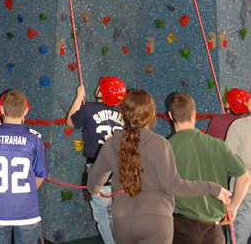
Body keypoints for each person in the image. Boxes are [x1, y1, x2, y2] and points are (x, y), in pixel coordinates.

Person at [87, 89, 230, 244]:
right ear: (151, 114)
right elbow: (175, 186)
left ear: (124, 113)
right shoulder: (159, 143)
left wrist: (97, 189)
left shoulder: (111, 144)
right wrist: (212, 188)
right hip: (156, 222)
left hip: (123, 223)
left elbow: (93, 186)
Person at [168, 92, 250, 244]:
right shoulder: (216, 145)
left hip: (181, 229)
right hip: (214, 232)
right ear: (194, 114)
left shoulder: (168, 147)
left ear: (170, 116)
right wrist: (232, 207)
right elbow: (244, 177)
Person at [0, 88, 48, 244]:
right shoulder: (35, 138)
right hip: (27, 211)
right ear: (26, 111)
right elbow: (40, 175)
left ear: (1, 109)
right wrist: (24, 191)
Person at [66, 76, 127, 244]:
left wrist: (79, 97)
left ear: (101, 92)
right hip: (119, 170)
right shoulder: (123, 113)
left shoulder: (89, 108)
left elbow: (70, 122)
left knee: (102, 215)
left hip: (97, 168)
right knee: (114, 214)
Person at [225, 93, 251, 243]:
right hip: (243, 188)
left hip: (241, 188)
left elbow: (228, 158)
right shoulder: (239, 125)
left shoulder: (239, 125)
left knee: (239, 235)